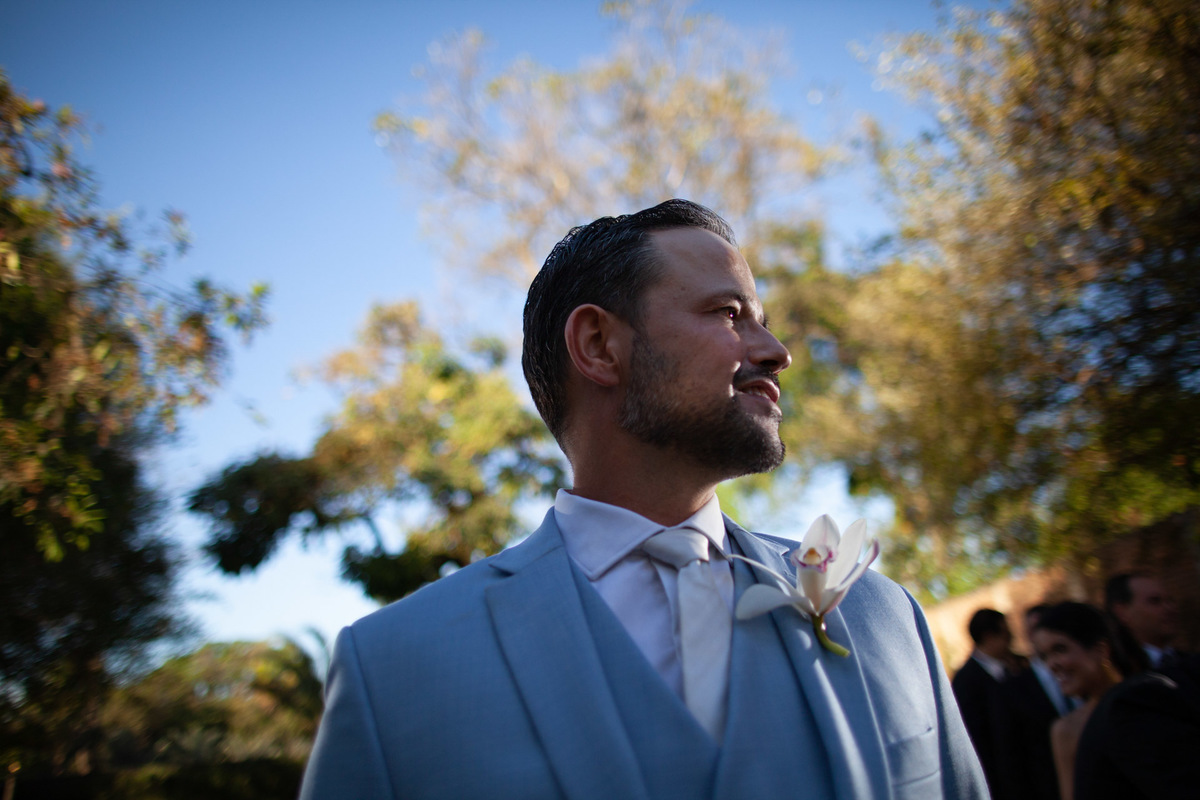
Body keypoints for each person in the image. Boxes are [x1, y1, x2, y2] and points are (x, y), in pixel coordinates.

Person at [298, 200, 988, 799]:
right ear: (598, 345)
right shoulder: (394, 666)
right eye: (729, 314)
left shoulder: (883, 613)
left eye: (763, 320)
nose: (775, 350)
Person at [1030, 602, 1144, 800]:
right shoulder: (1067, 731)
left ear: (1101, 649)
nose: (1052, 665)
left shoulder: (1151, 703)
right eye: (1044, 656)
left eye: (1060, 649)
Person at [951, 608, 1024, 798]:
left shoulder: (1018, 666)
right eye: (1007, 634)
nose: (1012, 639)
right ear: (989, 636)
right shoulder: (965, 682)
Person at [1104, 573, 1183, 670]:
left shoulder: (1191, 664)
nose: (1170, 609)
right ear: (1122, 612)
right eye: (1155, 601)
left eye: (1170, 600)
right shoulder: (1117, 673)